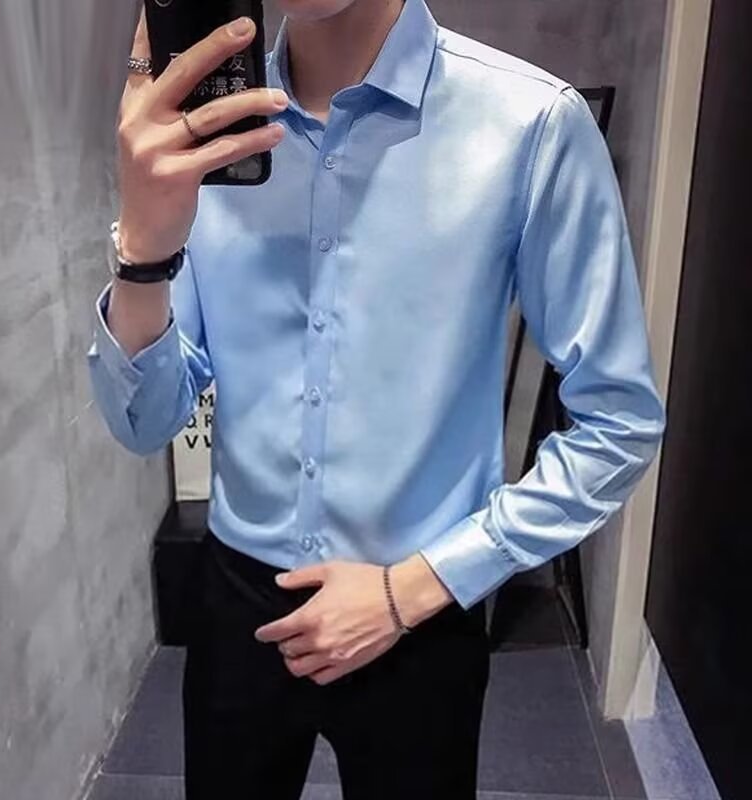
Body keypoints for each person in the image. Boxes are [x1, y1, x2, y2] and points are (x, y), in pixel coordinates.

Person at [87, 0, 667, 797]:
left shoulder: (528, 126)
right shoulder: (205, 133)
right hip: (236, 604)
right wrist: (143, 254)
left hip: (422, 612)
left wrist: (417, 589)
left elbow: (619, 422)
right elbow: (144, 420)